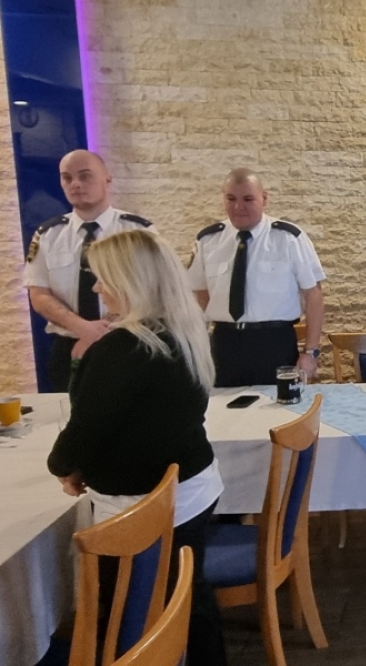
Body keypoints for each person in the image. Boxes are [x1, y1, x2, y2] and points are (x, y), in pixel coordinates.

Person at [47, 229, 227, 665]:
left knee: (131, 611)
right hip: (192, 486)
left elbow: (86, 426)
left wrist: (65, 465)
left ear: (130, 280)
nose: (96, 288)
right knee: (189, 596)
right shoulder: (181, 331)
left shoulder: (124, 346)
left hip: (144, 503)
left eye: (103, 278)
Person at [24, 149, 154, 392]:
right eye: (67, 178)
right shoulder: (48, 235)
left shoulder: (138, 232)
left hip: (127, 342)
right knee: (69, 411)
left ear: (107, 179)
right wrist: (82, 328)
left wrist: (104, 331)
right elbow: (39, 295)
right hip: (69, 346)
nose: (75, 184)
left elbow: (153, 290)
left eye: (85, 176)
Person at [188, 168, 326, 386]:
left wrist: (311, 352)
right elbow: (200, 295)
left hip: (274, 345)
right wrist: (198, 344)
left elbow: (314, 296)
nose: (238, 207)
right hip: (224, 344)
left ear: (264, 199)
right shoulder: (208, 240)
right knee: (221, 406)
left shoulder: (288, 238)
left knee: (279, 406)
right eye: (231, 199)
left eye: (248, 199)